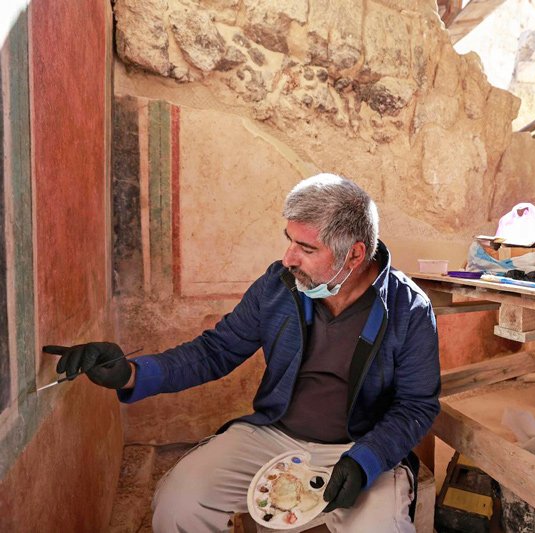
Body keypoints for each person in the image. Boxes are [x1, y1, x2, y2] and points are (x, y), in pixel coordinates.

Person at [43, 174, 441, 532]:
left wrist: (367, 460)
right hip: (273, 435)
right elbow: (216, 350)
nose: (289, 258)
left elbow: (416, 405)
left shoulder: (410, 309)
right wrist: (130, 372)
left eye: (305, 248)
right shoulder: (279, 286)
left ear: (354, 255)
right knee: (178, 506)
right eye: (289, 241)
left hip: (361, 446)